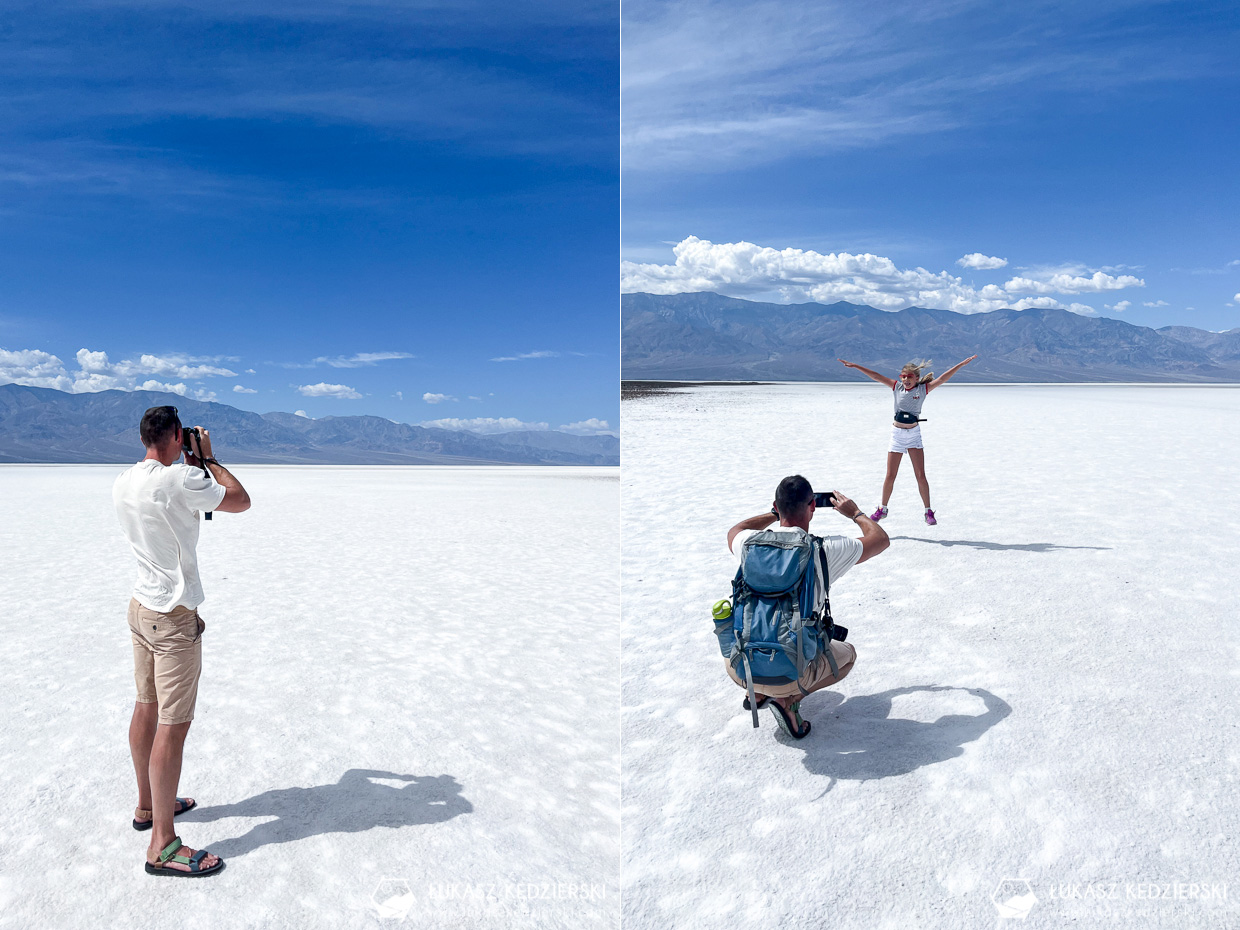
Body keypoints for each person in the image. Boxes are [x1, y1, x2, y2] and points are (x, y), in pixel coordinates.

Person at [113, 405, 251, 877]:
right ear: (177, 435)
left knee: (146, 704)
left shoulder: (126, 479)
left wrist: (188, 465)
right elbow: (238, 499)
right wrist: (209, 458)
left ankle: (148, 805)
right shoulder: (181, 481)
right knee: (174, 724)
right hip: (172, 617)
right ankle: (162, 845)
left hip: (140, 608)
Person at [725, 476, 888, 737]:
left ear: (777, 506)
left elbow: (736, 529)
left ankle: (756, 692)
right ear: (812, 506)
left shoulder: (748, 544)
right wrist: (854, 512)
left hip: (740, 667)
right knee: (848, 655)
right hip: (791, 668)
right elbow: (879, 539)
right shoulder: (823, 550)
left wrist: (772, 513)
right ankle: (785, 700)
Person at [837, 355, 978, 525]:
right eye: (903, 376)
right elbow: (876, 376)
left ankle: (928, 512)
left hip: (913, 436)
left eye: (909, 376)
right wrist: (857, 366)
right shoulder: (896, 388)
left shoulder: (922, 390)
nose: (905, 379)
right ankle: (883, 509)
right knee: (890, 475)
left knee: (920, 475)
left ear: (916, 378)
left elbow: (943, 378)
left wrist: (961, 365)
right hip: (896, 435)